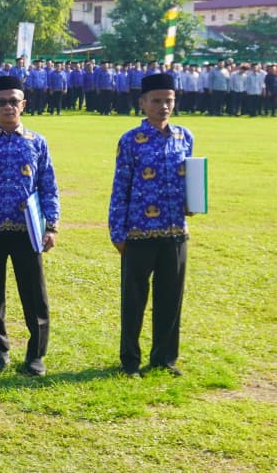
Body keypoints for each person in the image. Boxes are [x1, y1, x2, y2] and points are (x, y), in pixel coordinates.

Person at [0, 75, 60, 376]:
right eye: (1, 102)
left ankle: (35, 355)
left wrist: (52, 226)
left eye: (13, 101)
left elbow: (49, 186)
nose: (8, 107)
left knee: (34, 295)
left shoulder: (37, 143)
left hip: (26, 231)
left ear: (23, 105)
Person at [108, 73, 194, 377]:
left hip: (175, 232)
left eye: (168, 100)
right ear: (143, 103)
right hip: (139, 232)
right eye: (157, 100)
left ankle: (164, 358)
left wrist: (193, 203)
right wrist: (117, 231)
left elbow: (191, 180)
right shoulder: (131, 140)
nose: (164, 106)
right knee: (134, 300)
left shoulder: (184, 136)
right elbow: (121, 187)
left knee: (171, 298)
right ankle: (129, 360)